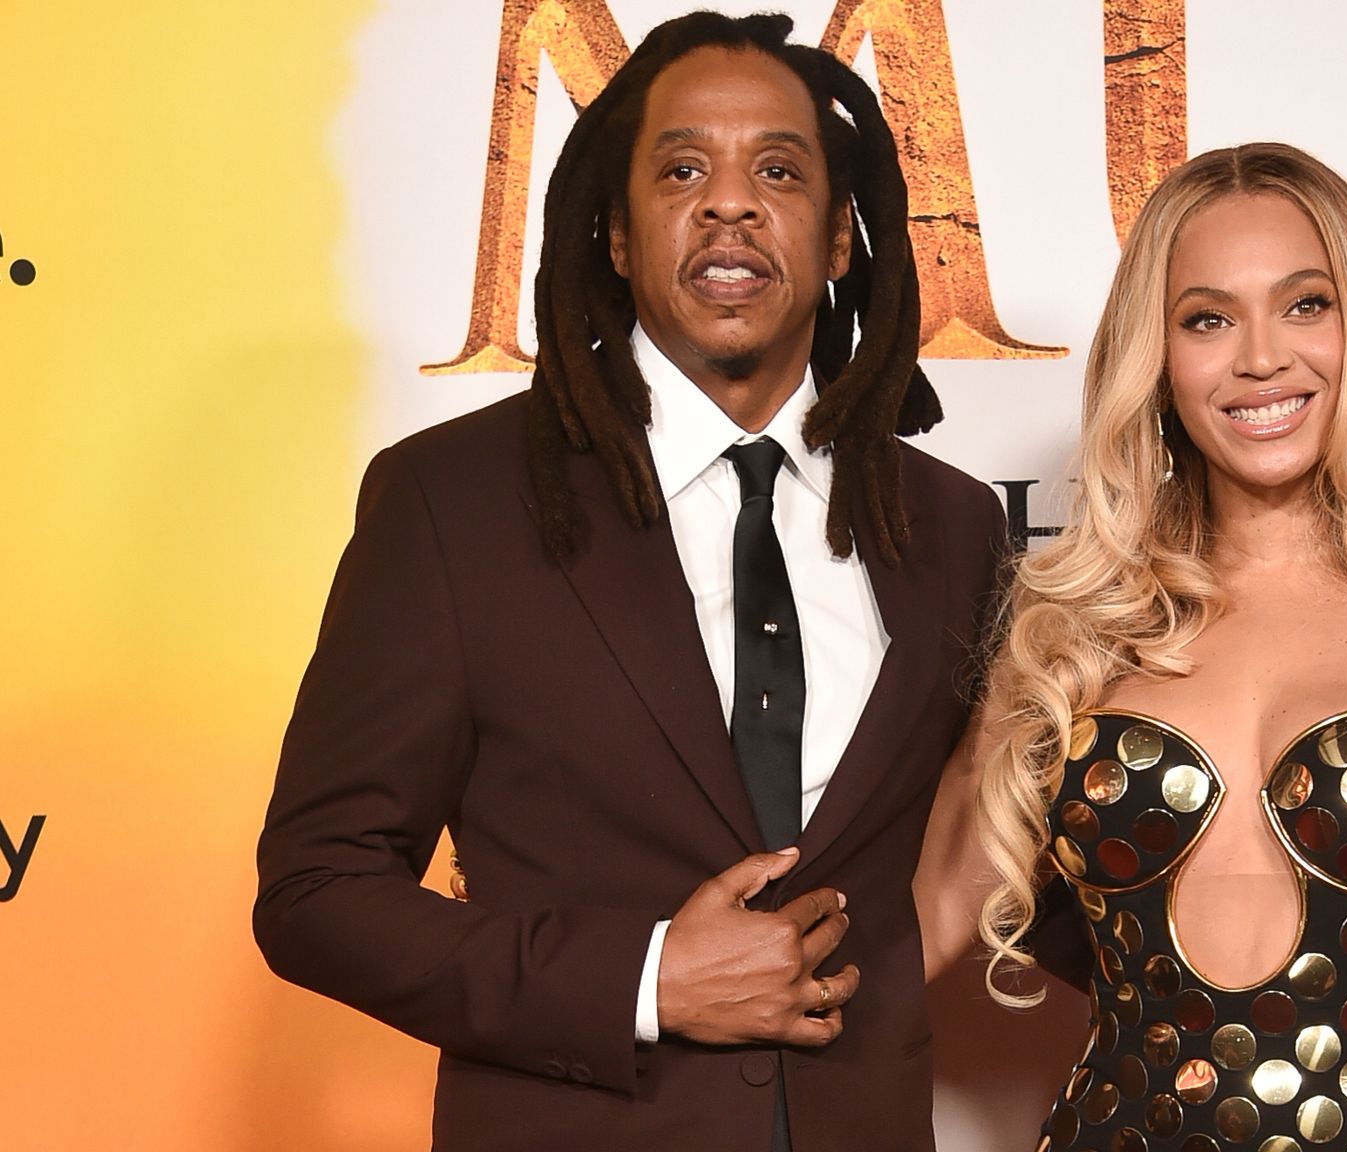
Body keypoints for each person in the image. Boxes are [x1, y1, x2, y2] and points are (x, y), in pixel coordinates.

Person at [253, 13, 1010, 1151]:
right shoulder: (451, 503)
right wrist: (645, 979)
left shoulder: (950, 523)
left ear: (843, 236)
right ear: (611, 233)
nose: (730, 203)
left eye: (779, 169)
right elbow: (316, 894)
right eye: (682, 168)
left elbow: (1004, 851)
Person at [917, 143, 1347, 1150]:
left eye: (1305, 304)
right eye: (1206, 319)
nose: (1260, 356)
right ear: (1156, 358)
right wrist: (658, 989)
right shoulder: (1074, 624)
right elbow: (926, 921)